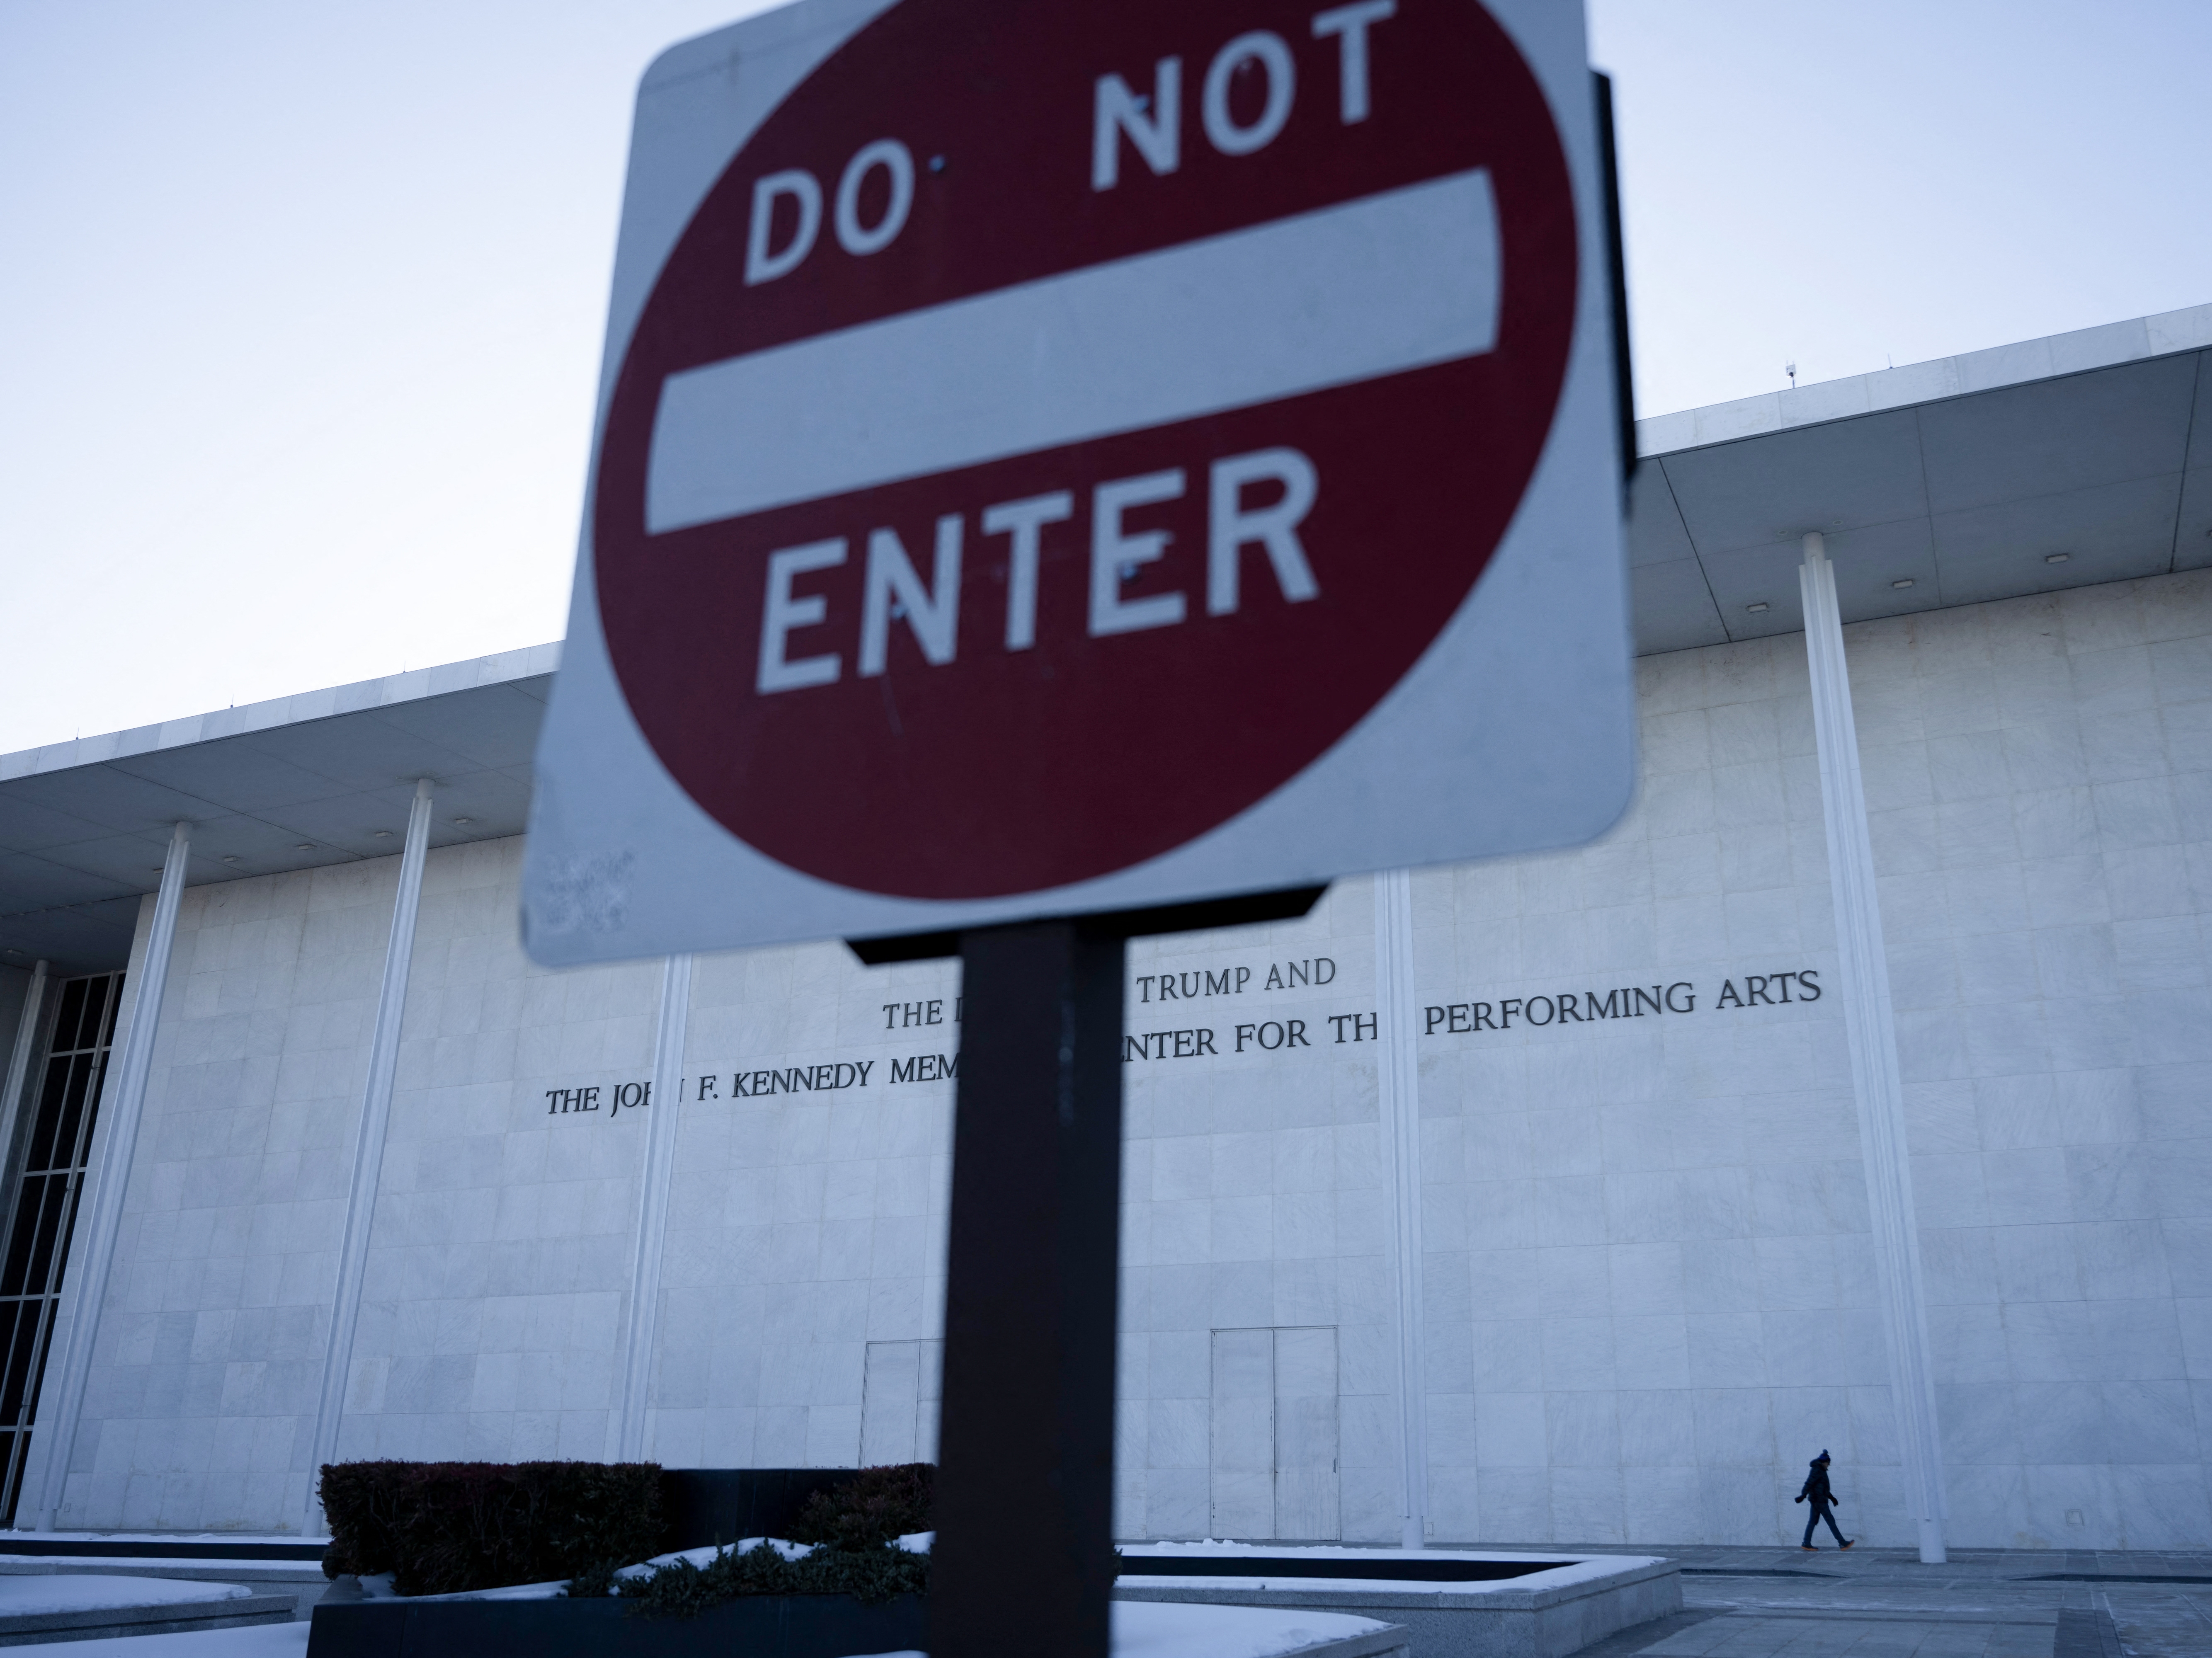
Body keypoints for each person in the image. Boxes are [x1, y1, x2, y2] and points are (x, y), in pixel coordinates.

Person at [1795, 1450, 1852, 1550]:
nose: (1829, 1465)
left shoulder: (1820, 1470)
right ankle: (1842, 1543)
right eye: (1828, 1463)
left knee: (1812, 1522)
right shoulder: (1817, 1470)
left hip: (1817, 1500)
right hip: (1819, 1501)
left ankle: (1806, 1543)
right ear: (1824, 1462)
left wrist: (1832, 1498)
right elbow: (1809, 1483)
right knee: (1830, 1521)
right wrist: (1803, 1495)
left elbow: (1822, 1488)